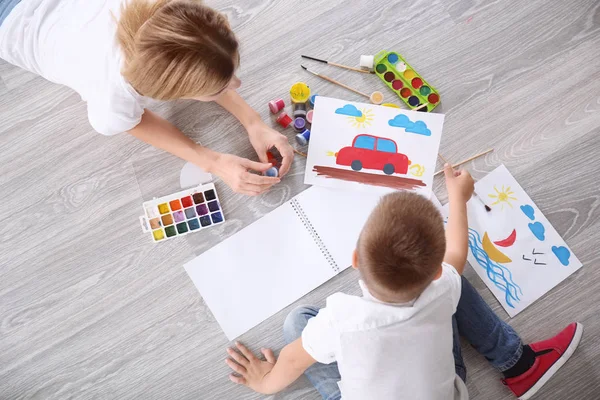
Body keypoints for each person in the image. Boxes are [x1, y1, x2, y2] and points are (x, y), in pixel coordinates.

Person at [224, 164, 583, 400]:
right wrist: (458, 198)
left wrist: (262, 383)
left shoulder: (341, 319)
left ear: (353, 259)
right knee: (454, 286)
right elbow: (456, 254)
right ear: (436, 271)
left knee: (297, 322)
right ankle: (519, 364)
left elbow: (289, 364)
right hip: (444, 390)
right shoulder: (444, 285)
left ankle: (521, 365)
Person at [0, 0, 293, 196]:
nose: (237, 85)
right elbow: (132, 122)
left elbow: (197, 60)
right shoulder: (112, 96)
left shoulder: (166, 15)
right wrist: (213, 161)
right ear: (170, 95)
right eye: (219, 88)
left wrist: (254, 122)